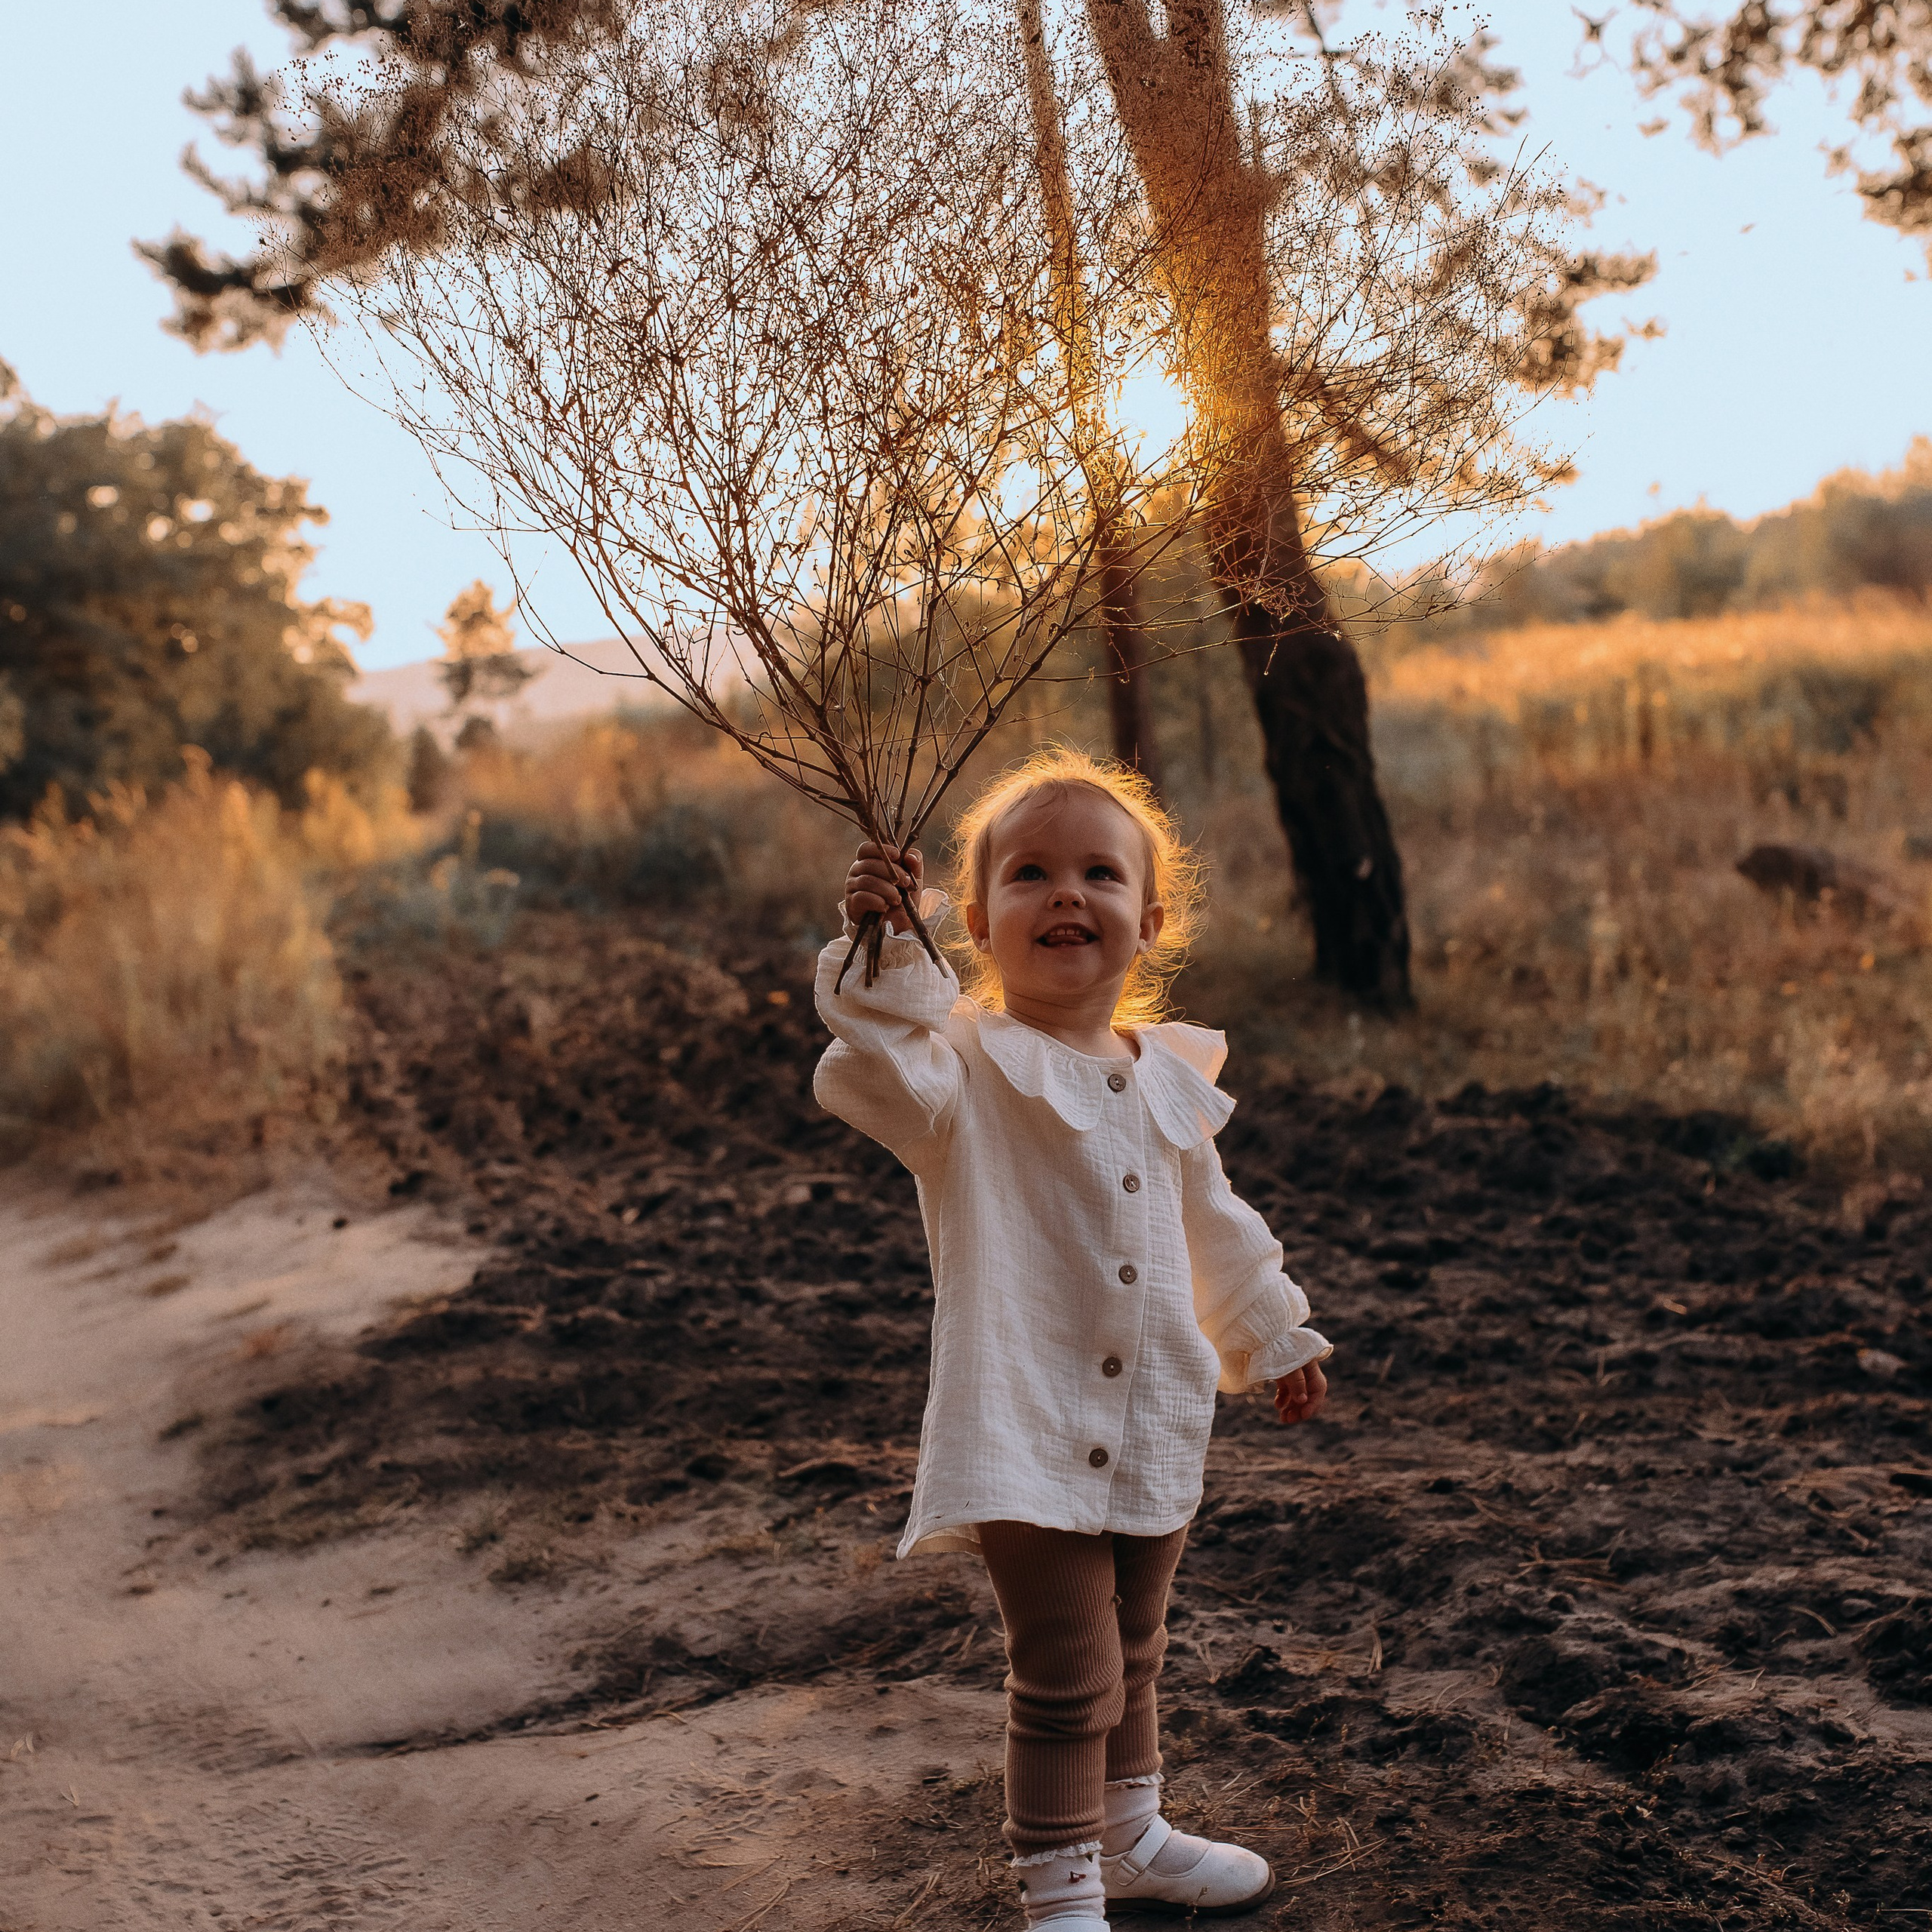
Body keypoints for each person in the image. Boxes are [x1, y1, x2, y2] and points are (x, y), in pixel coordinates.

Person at [814, 746, 1331, 1928]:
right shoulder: (960, 1073)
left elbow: (1215, 1224)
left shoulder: (1165, 1078)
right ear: (982, 927)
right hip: (1025, 1425)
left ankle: (1131, 1834)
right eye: (1029, 874)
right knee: (1067, 1671)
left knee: (1137, 1647)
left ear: (1148, 921)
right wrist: (888, 945)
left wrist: (1273, 1334)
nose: (1065, 893)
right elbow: (876, 1063)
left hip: (1154, 1412)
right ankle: (1061, 1897)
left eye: (1098, 873)